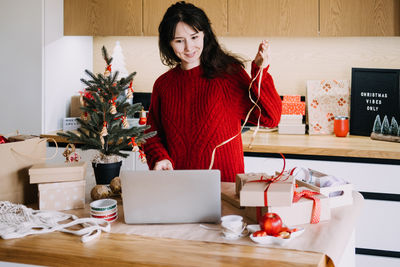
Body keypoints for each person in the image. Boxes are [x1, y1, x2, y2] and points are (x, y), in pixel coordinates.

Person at [143, 1, 282, 182]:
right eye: (179, 41)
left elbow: (270, 118)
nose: (189, 47)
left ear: (205, 35)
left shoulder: (229, 74)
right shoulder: (163, 85)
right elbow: (151, 134)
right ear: (168, 43)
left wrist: (260, 71)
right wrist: (160, 157)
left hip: (226, 186)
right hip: (178, 186)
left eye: (194, 37)